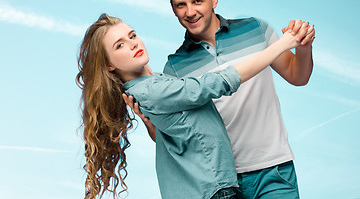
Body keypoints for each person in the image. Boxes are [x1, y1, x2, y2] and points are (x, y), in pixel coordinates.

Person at [124, 0, 315, 199]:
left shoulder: (255, 28)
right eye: (180, 5)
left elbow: (298, 77)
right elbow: (180, 136)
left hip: (274, 170)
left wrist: (304, 48)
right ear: (173, 10)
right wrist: (153, 127)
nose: (190, 11)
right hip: (222, 183)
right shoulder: (174, 68)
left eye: (197, 1)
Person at [76, 13, 310, 199]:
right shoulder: (151, 90)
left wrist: (155, 130)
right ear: (108, 65)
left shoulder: (156, 82)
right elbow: (217, 82)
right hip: (214, 191)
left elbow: (187, 134)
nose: (133, 44)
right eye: (119, 45)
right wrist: (280, 46)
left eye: (132, 35)